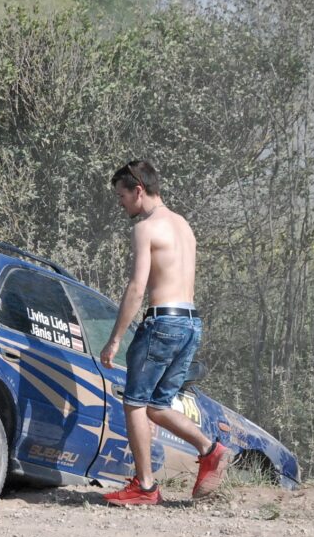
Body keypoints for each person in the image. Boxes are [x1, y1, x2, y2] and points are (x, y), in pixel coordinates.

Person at [98, 160, 229, 506]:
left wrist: (114, 339)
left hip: (163, 323)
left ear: (138, 190)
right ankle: (210, 449)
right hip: (190, 323)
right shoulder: (184, 225)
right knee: (157, 406)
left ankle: (144, 487)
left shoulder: (145, 228)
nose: (120, 203)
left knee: (134, 403)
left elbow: (136, 287)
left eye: (122, 196)